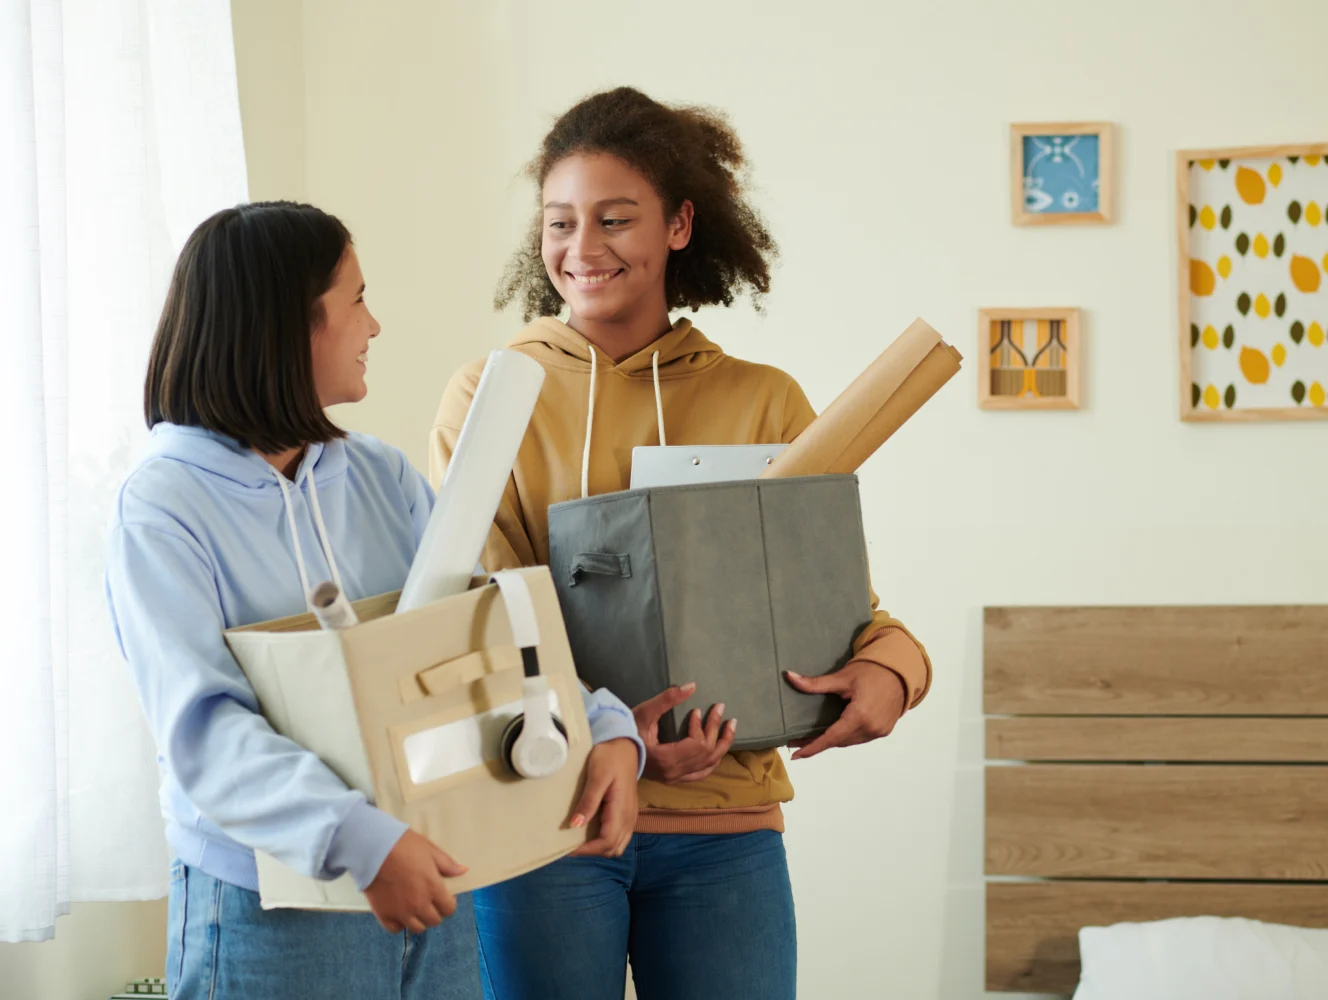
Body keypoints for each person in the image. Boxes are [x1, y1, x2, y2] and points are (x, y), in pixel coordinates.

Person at [430, 89, 932, 1000]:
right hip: (551, 820)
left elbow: (836, 609)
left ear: (680, 224)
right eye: (560, 222)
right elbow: (477, 615)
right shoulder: (489, 395)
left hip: (725, 835)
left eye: (615, 219)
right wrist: (615, 735)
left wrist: (895, 673)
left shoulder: (768, 400)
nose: (582, 249)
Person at [106, 201, 643, 999]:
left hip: (429, 876)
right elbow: (205, 730)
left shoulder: (381, 477)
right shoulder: (163, 506)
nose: (375, 325)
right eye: (357, 299)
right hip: (270, 907)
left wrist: (604, 729)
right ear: (289, 325)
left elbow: (477, 638)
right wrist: (361, 841)